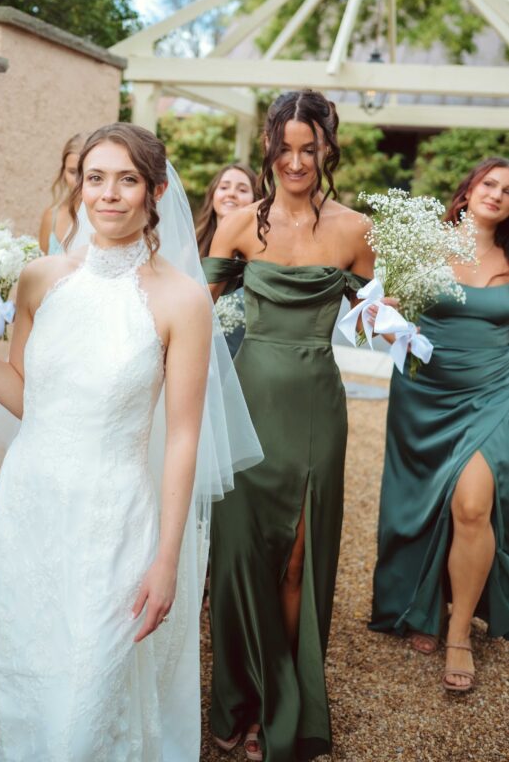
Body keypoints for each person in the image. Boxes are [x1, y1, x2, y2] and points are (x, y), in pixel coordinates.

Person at [0, 122, 258, 761]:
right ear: (79, 185)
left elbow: (183, 437)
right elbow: (26, 399)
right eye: (95, 178)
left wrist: (167, 560)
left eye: (127, 180)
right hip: (28, 509)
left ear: (155, 192)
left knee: (92, 692)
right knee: (29, 679)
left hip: (114, 519)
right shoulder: (38, 279)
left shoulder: (182, 300)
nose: (108, 194)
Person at [203, 89, 376, 762]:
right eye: (285, 148)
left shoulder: (356, 230)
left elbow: (372, 319)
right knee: (239, 558)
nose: (296, 162)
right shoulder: (237, 225)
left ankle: (281, 702)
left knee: (297, 560)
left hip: (315, 409)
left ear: (327, 148)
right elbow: (194, 311)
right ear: (267, 148)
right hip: (246, 401)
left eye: (309, 148)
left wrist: (393, 315)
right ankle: (237, 696)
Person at [370, 157, 509, 693]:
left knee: (472, 504)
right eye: (489, 183)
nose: (497, 194)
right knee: (422, 500)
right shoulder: (423, 245)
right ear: (469, 189)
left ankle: (459, 631)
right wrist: (384, 319)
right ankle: (421, 605)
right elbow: (387, 321)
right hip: (424, 394)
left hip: (494, 394)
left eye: (508, 191)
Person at [195, 163, 257, 357]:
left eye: (242, 190)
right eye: (224, 187)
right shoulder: (191, 247)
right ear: (213, 195)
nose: (231, 193)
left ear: (256, 200)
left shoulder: (262, 255)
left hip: (243, 361)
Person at [38, 132, 83, 254]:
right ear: (63, 172)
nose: (79, 181)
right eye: (72, 172)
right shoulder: (51, 216)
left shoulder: (109, 219)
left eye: (86, 172)